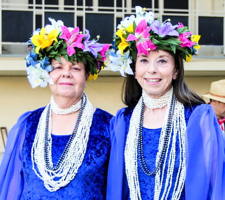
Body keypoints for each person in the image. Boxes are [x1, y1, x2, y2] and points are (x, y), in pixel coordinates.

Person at [106, 6, 225, 200]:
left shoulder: (198, 117)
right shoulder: (122, 122)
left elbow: (215, 185)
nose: (152, 70)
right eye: (144, 60)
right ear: (134, 70)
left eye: (162, 61)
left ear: (176, 70)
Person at [0, 18, 112, 200]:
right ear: (47, 72)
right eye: (58, 66)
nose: (66, 73)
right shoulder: (27, 124)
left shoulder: (108, 126)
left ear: (86, 75)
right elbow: (13, 187)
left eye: (75, 68)